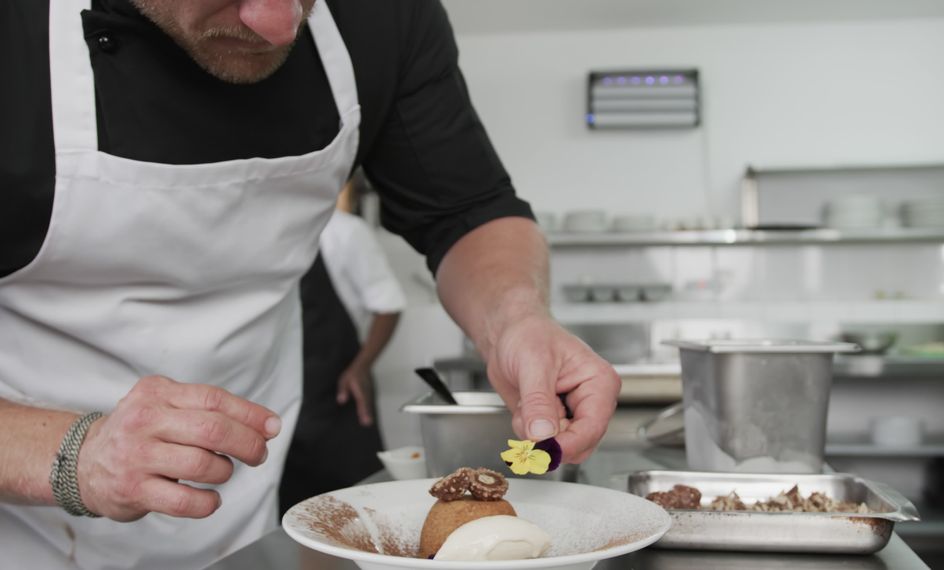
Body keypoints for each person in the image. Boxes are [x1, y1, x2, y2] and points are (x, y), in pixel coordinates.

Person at [0, 1, 621, 568]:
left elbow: (467, 211)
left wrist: (514, 316)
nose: (277, 24)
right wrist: (72, 453)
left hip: (240, 530)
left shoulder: (382, 18)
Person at [279, 174, 406, 517]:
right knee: (288, 514)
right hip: (277, 399)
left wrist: (361, 366)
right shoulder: (257, 238)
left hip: (337, 395)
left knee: (360, 510)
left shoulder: (345, 231)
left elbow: (388, 305)